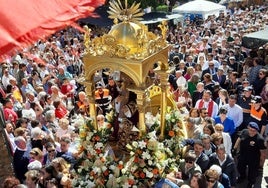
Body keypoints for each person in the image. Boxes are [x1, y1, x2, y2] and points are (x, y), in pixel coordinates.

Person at [233, 122, 266, 188]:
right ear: (248, 128)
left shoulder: (260, 139)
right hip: (243, 155)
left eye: (254, 131)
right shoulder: (244, 131)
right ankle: (242, 177)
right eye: (250, 130)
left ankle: (251, 183)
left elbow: (262, 152)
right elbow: (239, 139)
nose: (252, 132)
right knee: (240, 167)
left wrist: (261, 163)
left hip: (253, 158)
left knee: (252, 173)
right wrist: (235, 148)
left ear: (257, 131)